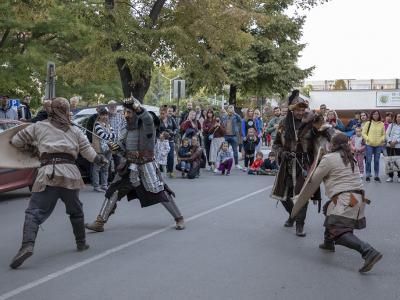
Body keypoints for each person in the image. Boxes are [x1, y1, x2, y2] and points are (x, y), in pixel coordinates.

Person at [9, 97, 107, 269]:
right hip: (70, 174)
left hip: (48, 173)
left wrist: (33, 147)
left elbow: (16, 141)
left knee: (34, 212)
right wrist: (100, 159)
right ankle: (81, 243)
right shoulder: (75, 131)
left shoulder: (38, 126)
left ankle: (27, 246)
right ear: (67, 110)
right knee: (76, 210)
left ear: (51, 110)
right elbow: (89, 153)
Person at [85, 97, 185, 232]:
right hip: (129, 165)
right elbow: (121, 149)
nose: (126, 115)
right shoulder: (126, 129)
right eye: (125, 112)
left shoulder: (147, 126)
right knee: (113, 191)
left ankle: (179, 218)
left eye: (129, 112)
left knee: (159, 191)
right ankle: (100, 221)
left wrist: (137, 107)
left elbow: (148, 119)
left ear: (136, 112)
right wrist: (116, 148)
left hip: (146, 165)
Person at [294, 132, 382, 273]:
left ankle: (368, 252)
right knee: (329, 209)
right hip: (357, 199)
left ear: (333, 145)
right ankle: (328, 243)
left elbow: (314, 180)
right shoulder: (350, 157)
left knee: (339, 231)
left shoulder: (329, 158)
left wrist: (307, 177)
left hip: (346, 199)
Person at [271, 92, 327, 237]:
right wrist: (281, 153)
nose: (300, 112)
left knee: (301, 195)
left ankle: (299, 225)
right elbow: (276, 144)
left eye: (303, 109)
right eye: (298, 109)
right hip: (286, 163)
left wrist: (317, 116)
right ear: (292, 110)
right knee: (282, 195)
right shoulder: (283, 123)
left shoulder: (311, 123)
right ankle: (293, 215)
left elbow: (323, 128)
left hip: (304, 164)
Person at [92, 107, 115, 192]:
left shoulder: (108, 124)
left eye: (106, 115)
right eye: (103, 115)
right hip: (99, 149)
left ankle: (104, 185)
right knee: (97, 167)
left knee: (106, 167)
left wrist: (110, 135)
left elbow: (114, 134)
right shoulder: (97, 124)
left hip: (108, 149)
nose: (105, 116)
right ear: (99, 116)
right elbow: (103, 136)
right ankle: (96, 185)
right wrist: (110, 135)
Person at [362, 110, 385, 182]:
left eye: (377, 114)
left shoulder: (381, 124)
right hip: (369, 145)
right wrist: (367, 139)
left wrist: (381, 139)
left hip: (378, 145)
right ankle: (368, 175)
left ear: (379, 115)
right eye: (374, 114)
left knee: (377, 161)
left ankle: (376, 175)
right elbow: (363, 132)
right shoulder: (368, 123)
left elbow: (383, 134)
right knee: (368, 160)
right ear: (372, 115)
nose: (375, 115)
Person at [159, 106, 178, 178]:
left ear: (166, 113)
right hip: (161, 141)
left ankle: (170, 171)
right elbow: (156, 129)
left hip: (170, 140)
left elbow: (176, 128)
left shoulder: (171, 119)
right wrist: (160, 135)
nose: (162, 115)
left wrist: (173, 132)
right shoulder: (158, 119)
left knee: (170, 156)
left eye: (163, 113)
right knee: (161, 155)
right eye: (161, 113)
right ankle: (161, 171)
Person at [221, 105, 242, 169]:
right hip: (226, 136)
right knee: (224, 150)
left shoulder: (235, 116)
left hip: (234, 136)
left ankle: (236, 164)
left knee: (235, 151)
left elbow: (240, 119)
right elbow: (222, 123)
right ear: (227, 110)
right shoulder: (224, 117)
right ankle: (223, 163)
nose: (230, 110)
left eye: (231, 108)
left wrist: (234, 113)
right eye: (229, 108)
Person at [385, 113, 400, 182]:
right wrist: (390, 142)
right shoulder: (391, 125)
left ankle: (399, 176)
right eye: (398, 117)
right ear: (396, 118)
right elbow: (386, 134)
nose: (399, 118)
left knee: (398, 161)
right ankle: (390, 177)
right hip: (390, 146)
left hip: (398, 146)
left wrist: (396, 142)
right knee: (390, 161)